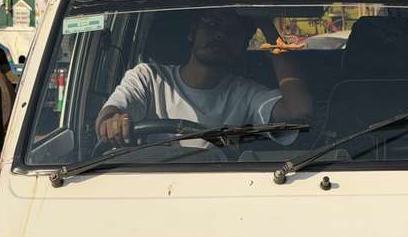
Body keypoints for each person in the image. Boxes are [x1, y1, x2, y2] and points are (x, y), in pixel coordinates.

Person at [95, 10, 312, 145]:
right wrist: (112, 122)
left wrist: (267, 27)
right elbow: (109, 114)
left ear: (243, 45)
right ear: (193, 32)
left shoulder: (245, 94)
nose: (220, 35)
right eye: (212, 24)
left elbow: (299, 111)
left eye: (234, 31)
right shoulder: (149, 78)